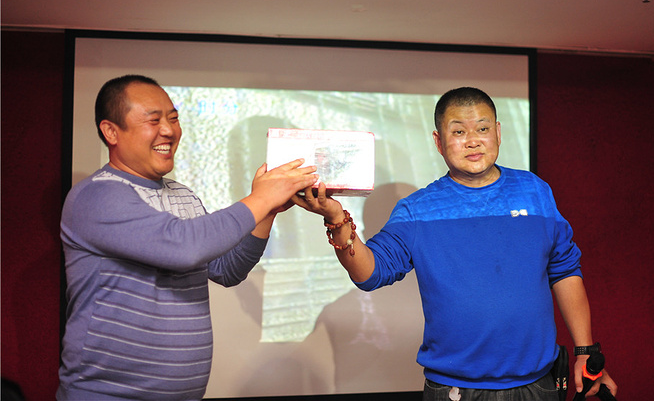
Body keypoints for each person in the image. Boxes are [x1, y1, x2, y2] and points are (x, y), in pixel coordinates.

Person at [294, 87, 618, 400]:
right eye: (459, 131)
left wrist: (585, 351)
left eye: (483, 128)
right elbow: (369, 273)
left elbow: (565, 271)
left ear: (498, 132)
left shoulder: (535, 191)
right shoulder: (418, 209)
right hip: (455, 390)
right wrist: (336, 219)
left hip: (537, 385)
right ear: (439, 141)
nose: (473, 140)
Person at [57, 75, 318, 401]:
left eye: (173, 118)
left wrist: (269, 211)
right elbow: (184, 247)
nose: (169, 130)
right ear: (111, 132)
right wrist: (261, 198)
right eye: (154, 120)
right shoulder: (96, 196)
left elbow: (226, 269)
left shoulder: (183, 195)